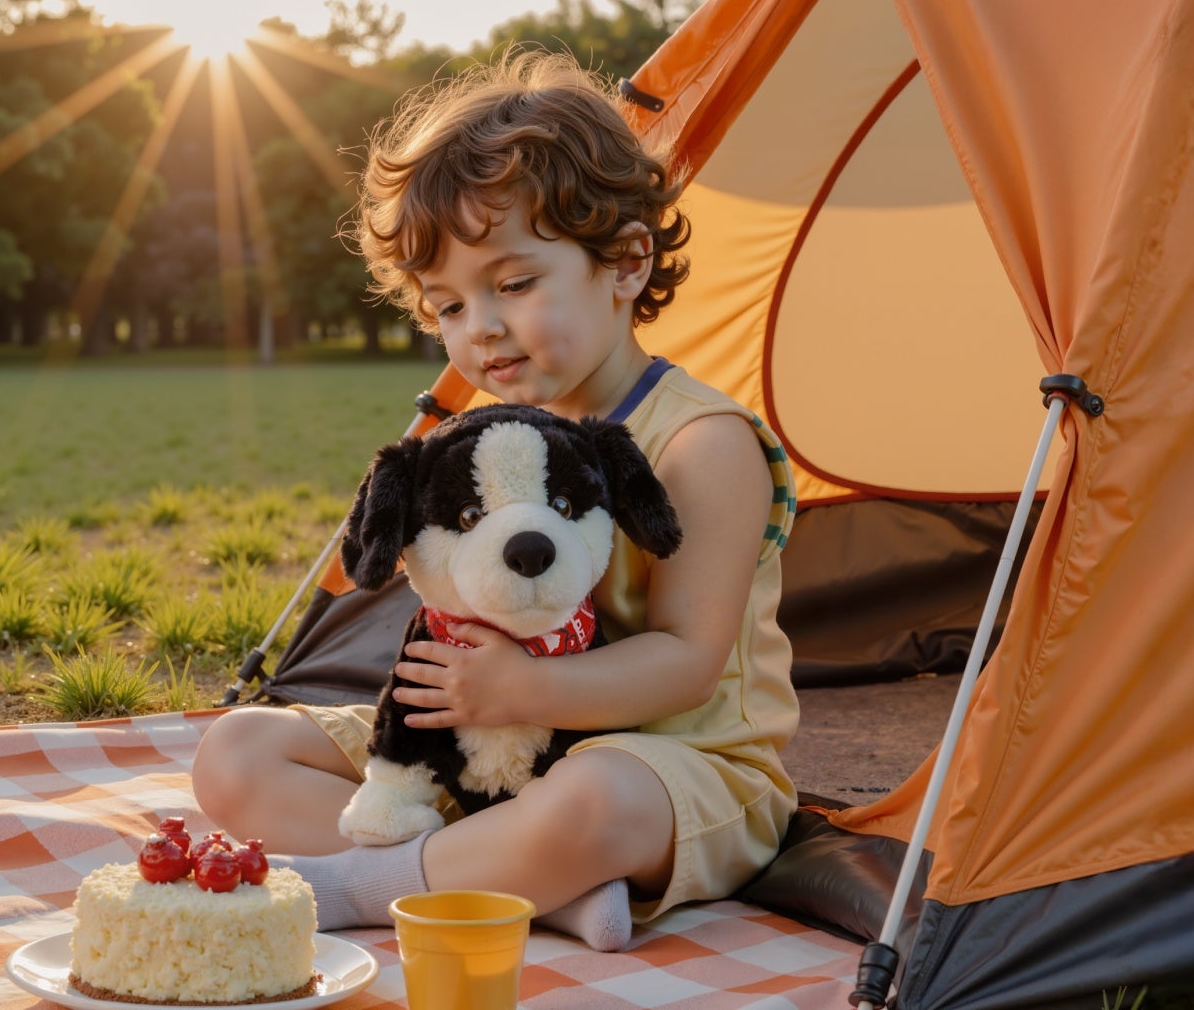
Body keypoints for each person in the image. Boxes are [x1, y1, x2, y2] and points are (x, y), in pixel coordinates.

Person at [191, 50, 798, 952]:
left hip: (677, 763)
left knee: (597, 799)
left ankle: (367, 885)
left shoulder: (702, 443)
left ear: (626, 262)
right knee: (237, 753)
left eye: (513, 284)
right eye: (447, 304)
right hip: (501, 748)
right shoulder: (494, 440)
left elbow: (688, 665)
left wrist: (530, 685)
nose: (479, 327)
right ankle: (526, 884)